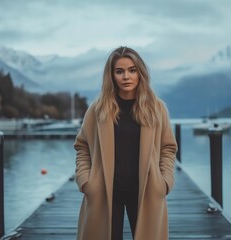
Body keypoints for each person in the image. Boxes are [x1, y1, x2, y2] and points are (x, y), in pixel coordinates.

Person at [74, 46, 177, 240]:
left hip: (146, 190)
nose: (126, 77)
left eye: (132, 70)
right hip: (104, 191)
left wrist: (164, 182)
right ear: (111, 76)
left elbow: (168, 148)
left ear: (140, 73)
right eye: (119, 71)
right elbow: (82, 146)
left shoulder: (156, 108)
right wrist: (86, 181)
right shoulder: (98, 109)